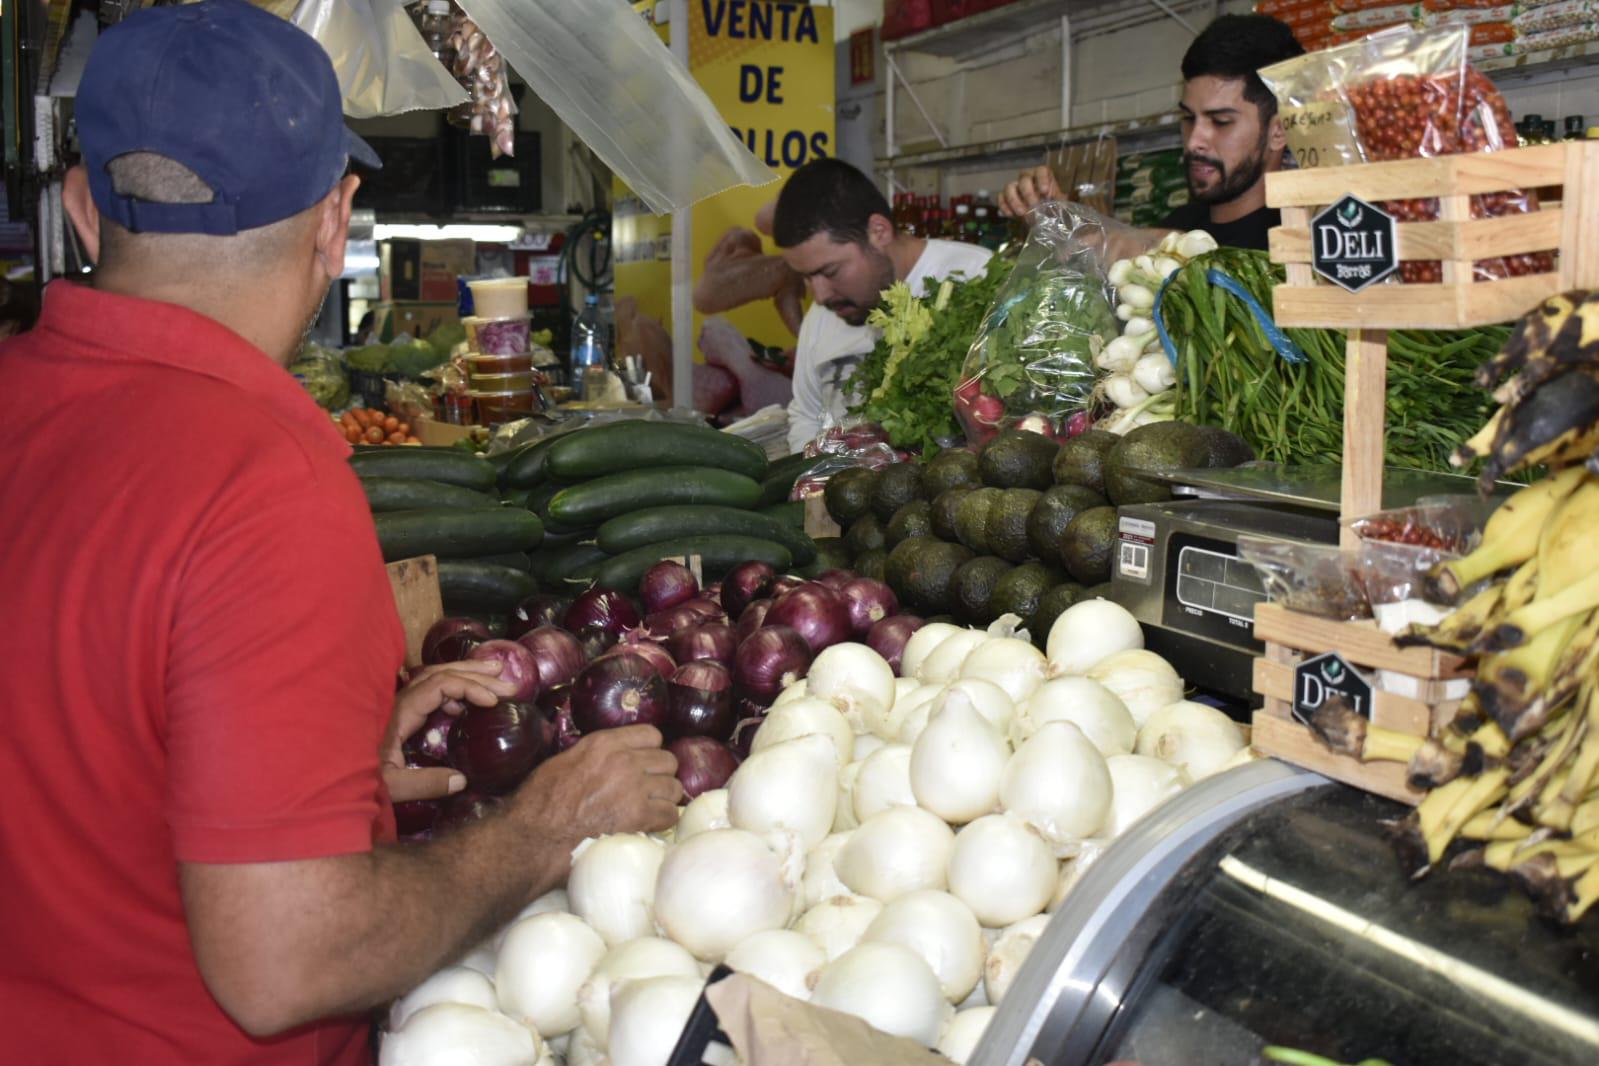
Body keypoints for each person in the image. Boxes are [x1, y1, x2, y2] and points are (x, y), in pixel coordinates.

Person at [0, 3, 679, 1062]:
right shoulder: (260, 478)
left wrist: (321, 743)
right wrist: (546, 828)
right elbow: (289, 964)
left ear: (86, 211)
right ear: (336, 221)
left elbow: (78, 725)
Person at [1000, 14, 1304, 251]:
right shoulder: (1181, 222)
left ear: (1279, 130)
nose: (1195, 141)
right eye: (1188, 118)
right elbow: (1106, 251)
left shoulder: (1296, 244)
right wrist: (1051, 214)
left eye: (1221, 121)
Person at [774, 159, 991, 451]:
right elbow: (806, 414)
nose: (820, 296)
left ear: (879, 231)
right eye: (807, 278)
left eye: (830, 272)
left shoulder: (978, 277)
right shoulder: (825, 311)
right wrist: (813, 479)